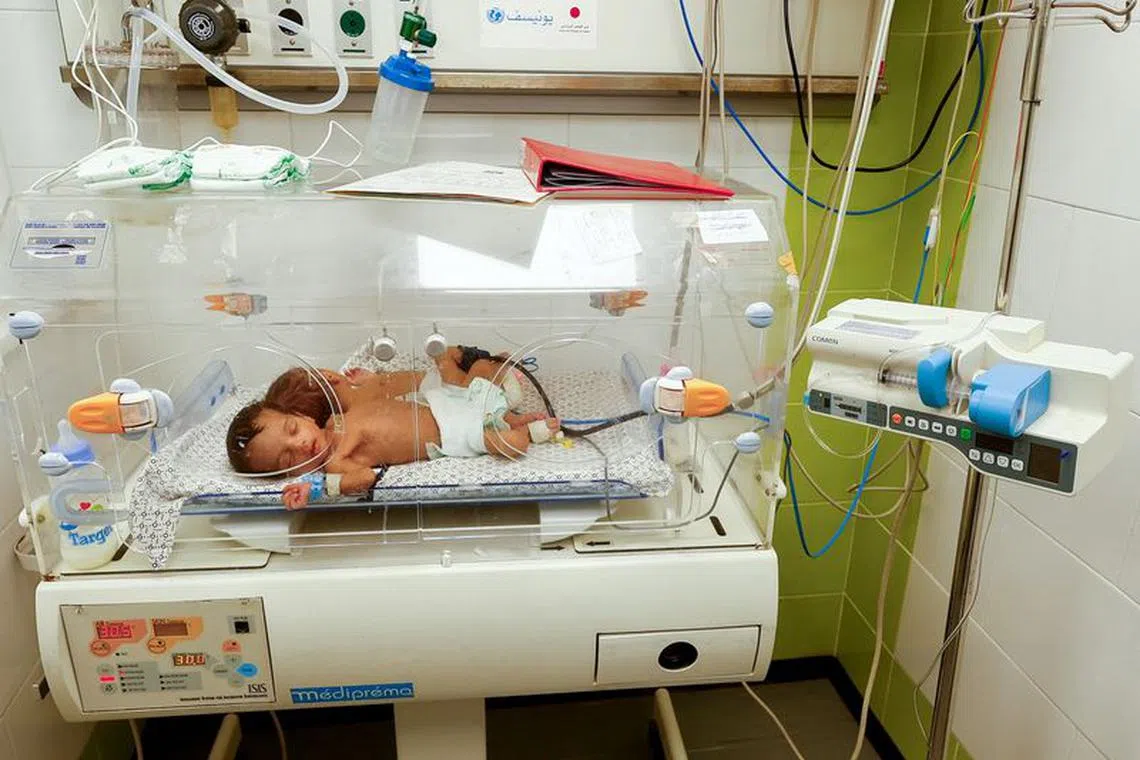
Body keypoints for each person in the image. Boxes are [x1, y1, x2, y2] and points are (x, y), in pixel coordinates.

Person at [225, 346, 558, 509]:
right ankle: (528, 434)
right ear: (288, 475)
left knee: (482, 378)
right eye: (286, 461)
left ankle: (513, 417)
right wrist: (318, 488)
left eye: (292, 430)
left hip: (438, 405)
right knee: (501, 440)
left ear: (304, 418)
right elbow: (367, 478)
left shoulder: (333, 420)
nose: (299, 446)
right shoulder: (335, 461)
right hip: (449, 434)